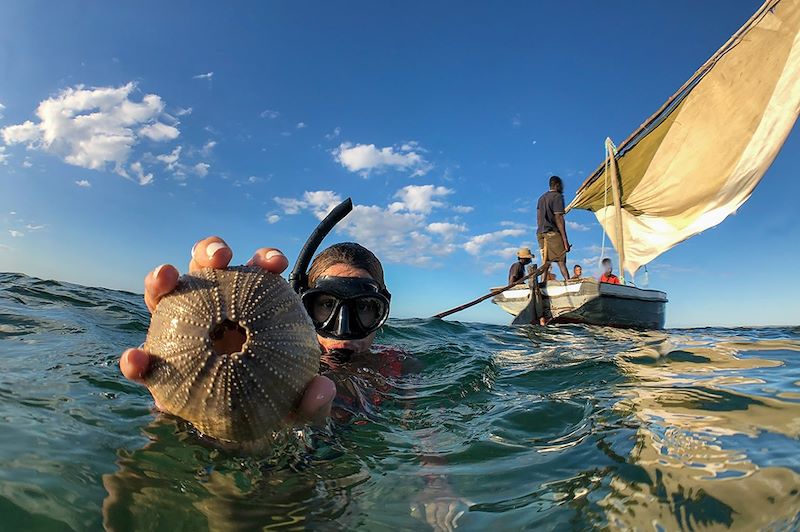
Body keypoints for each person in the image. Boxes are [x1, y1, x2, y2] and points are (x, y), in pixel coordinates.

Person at [536, 175, 571, 282]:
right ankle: (568, 282)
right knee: (561, 260)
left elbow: (538, 218)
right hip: (551, 233)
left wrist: (542, 231)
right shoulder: (557, 196)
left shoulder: (541, 198)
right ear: (557, 185)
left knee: (546, 262)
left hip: (540, 233)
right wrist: (565, 241)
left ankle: (542, 284)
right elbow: (559, 218)